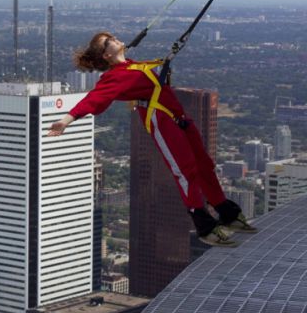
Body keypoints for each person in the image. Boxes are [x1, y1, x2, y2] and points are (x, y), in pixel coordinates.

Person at [48, 31, 256, 247]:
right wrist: (66, 120)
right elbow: (94, 98)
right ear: (106, 55)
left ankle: (227, 213)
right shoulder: (114, 76)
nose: (116, 39)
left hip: (178, 118)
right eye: (109, 41)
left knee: (204, 165)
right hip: (162, 121)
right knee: (186, 171)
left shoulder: (132, 65)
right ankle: (205, 226)